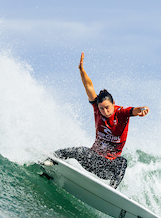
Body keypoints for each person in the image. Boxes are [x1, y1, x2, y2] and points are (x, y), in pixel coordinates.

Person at [53, 52, 150, 189]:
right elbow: (89, 87)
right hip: (93, 160)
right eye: (102, 108)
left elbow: (135, 110)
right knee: (80, 150)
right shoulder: (97, 109)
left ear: (113, 104)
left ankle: (112, 191)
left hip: (107, 168)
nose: (105, 111)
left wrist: (143, 109)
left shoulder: (121, 113)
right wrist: (81, 70)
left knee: (122, 162)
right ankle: (51, 158)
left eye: (107, 107)